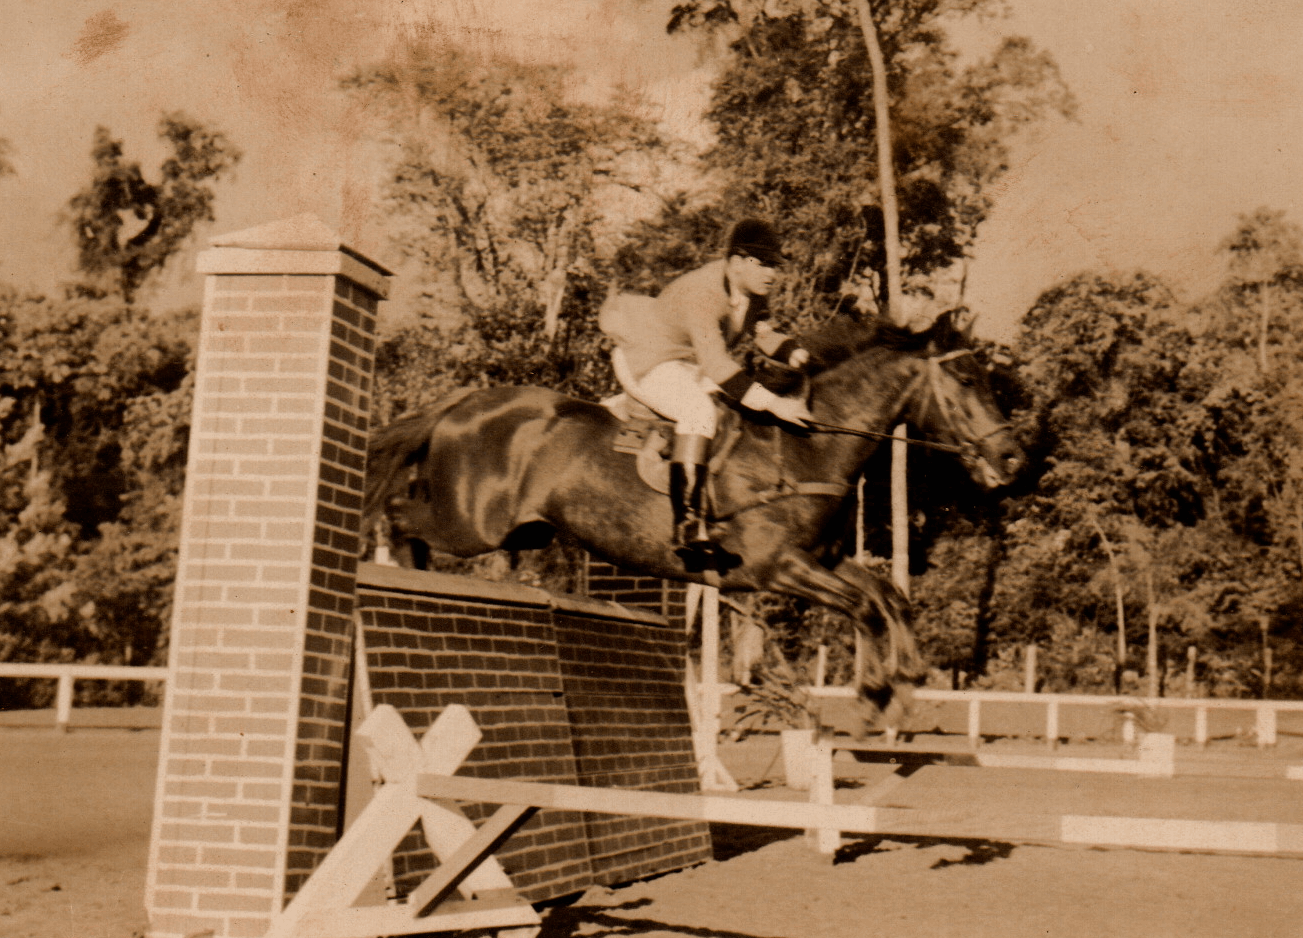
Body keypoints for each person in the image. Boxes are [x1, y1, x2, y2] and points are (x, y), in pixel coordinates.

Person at [599, 218, 813, 563]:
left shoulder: (750, 291)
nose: (772, 273)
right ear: (736, 262)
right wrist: (776, 405)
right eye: (764, 264)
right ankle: (686, 523)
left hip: (688, 363)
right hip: (648, 359)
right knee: (699, 412)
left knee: (732, 411)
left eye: (775, 265)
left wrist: (794, 351)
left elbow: (763, 332)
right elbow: (718, 367)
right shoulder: (703, 294)